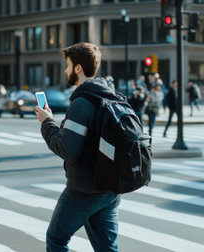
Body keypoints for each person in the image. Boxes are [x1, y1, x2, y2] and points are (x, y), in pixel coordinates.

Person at [35, 42, 120, 252]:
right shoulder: (108, 96)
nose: (66, 70)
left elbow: (67, 150)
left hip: (84, 190)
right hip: (111, 188)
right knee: (107, 248)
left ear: (78, 68)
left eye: (68, 65)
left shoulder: (81, 103)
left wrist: (47, 123)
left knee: (56, 240)